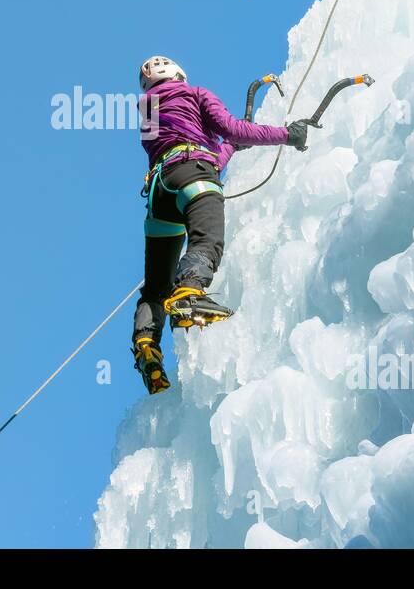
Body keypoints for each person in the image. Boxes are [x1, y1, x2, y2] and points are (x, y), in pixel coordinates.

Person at [132, 55, 310, 394]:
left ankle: (146, 344)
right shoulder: (195, 93)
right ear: (178, 74)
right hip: (192, 173)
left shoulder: (148, 112)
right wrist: (287, 134)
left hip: (160, 191)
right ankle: (189, 292)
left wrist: (229, 148)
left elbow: (207, 152)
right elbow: (230, 129)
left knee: (155, 287)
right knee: (207, 239)